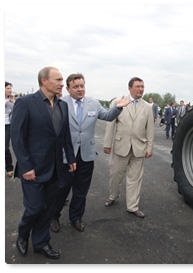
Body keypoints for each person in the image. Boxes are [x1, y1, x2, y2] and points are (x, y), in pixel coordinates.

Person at [50, 73, 131, 233]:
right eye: (76, 87)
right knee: (62, 188)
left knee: (81, 190)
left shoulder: (93, 103)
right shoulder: (60, 103)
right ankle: (53, 216)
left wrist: (117, 108)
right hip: (66, 155)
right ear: (68, 88)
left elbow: (107, 116)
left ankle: (76, 217)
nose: (80, 89)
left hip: (86, 154)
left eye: (82, 86)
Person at [11, 67, 76, 259]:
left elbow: (64, 136)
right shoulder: (25, 103)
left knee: (48, 208)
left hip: (56, 167)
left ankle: (41, 242)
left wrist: (71, 158)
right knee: (35, 207)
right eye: (58, 80)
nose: (61, 83)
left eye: (62, 80)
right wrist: (25, 165)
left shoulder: (62, 105)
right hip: (33, 169)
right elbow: (17, 138)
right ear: (43, 80)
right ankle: (23, 235)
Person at [103, 77, 154, 218]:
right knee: (115, 175)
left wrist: (150, 148)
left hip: (139, 148)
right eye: (137, 86)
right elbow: (110, 124)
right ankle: (113, 195)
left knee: (135, 179)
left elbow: (150, 129)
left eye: (142, 86)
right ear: (130, 88)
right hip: (120, 146)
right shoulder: (117, 102)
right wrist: (107, 144)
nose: (140, 89)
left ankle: (133, 206)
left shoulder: (147, 107)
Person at [5, 81, 15, 177]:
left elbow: (16, 110)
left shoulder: (11, 100)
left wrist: (12, 101)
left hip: (7, 124)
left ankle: (9, 168)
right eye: (7, 88)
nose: (10, 90)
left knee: (5, 147)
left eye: (10, 88)